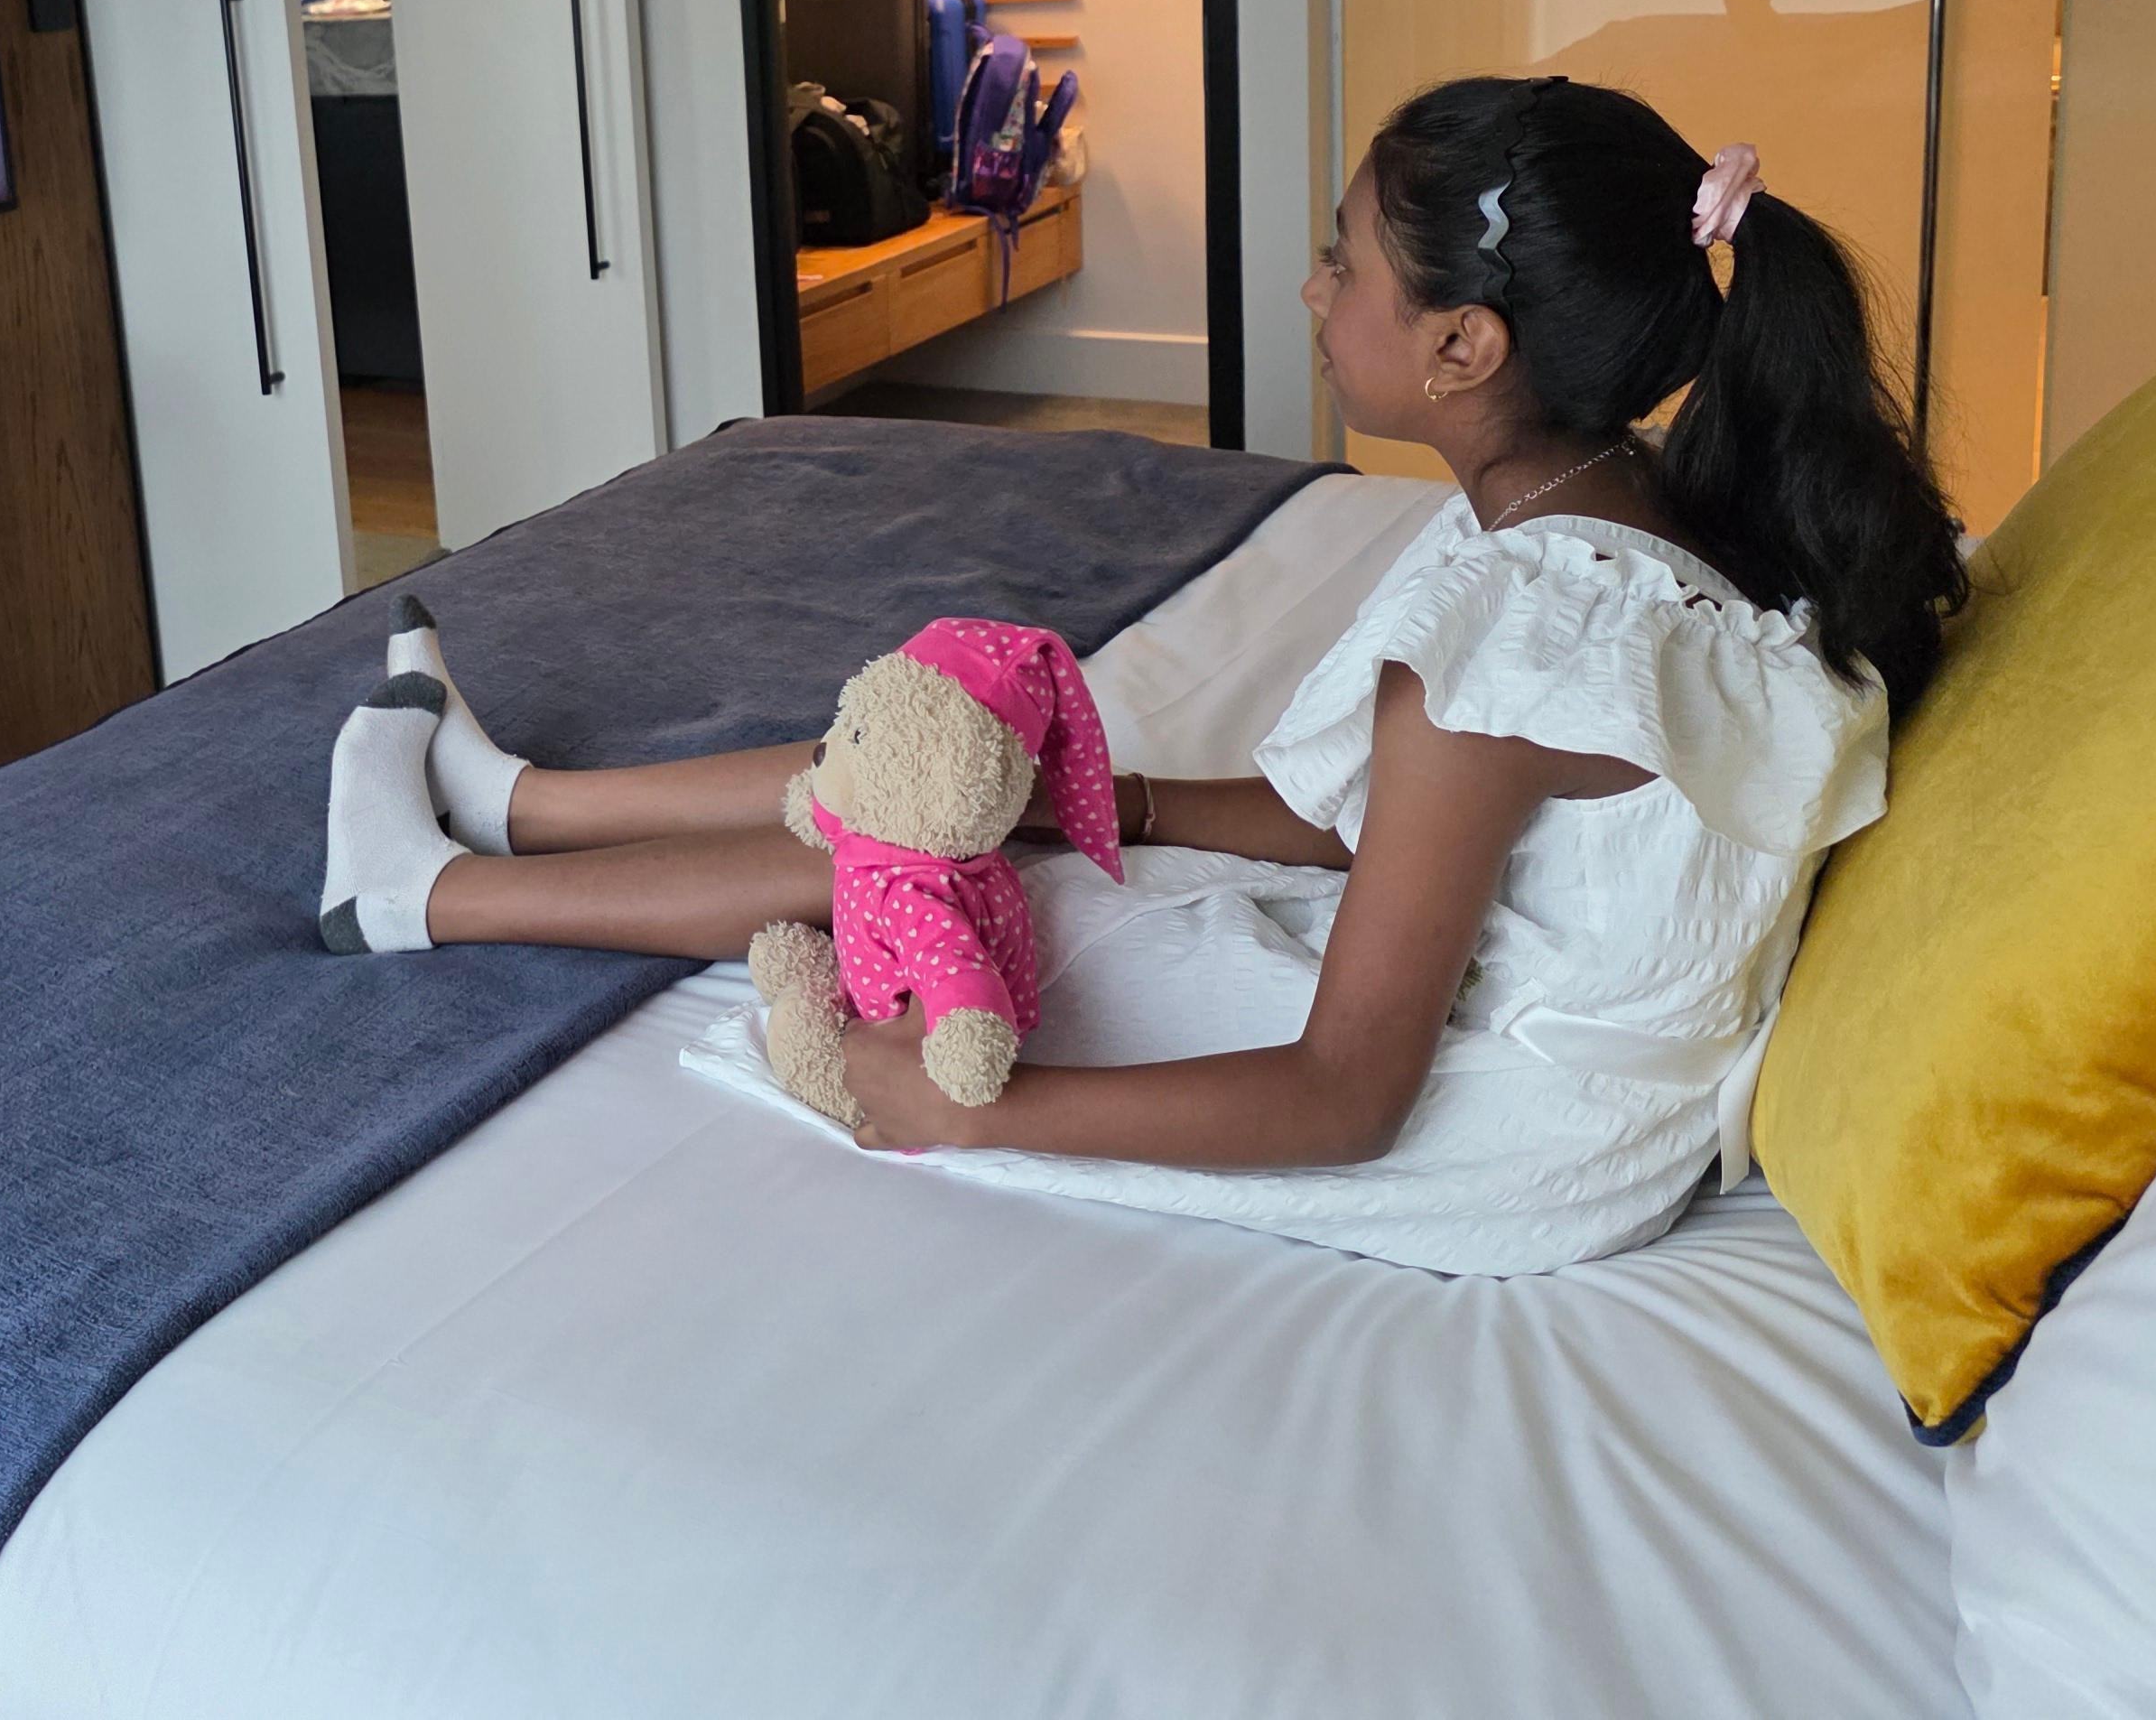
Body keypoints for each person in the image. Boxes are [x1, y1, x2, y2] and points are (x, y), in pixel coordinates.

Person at [312, 75, 1966, 1274]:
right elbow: (1368, 832)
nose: (1314, 293)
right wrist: (1124, 802)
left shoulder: (1511, 650)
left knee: (931, 860)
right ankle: (519, 801)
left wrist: (966, 1111)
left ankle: (427, 892)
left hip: (1491, 1130)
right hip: (1542, 1067)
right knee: (980, 793)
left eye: (1346, 264)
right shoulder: (1621, 520)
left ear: (1466, 348)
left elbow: (1343, 1097)